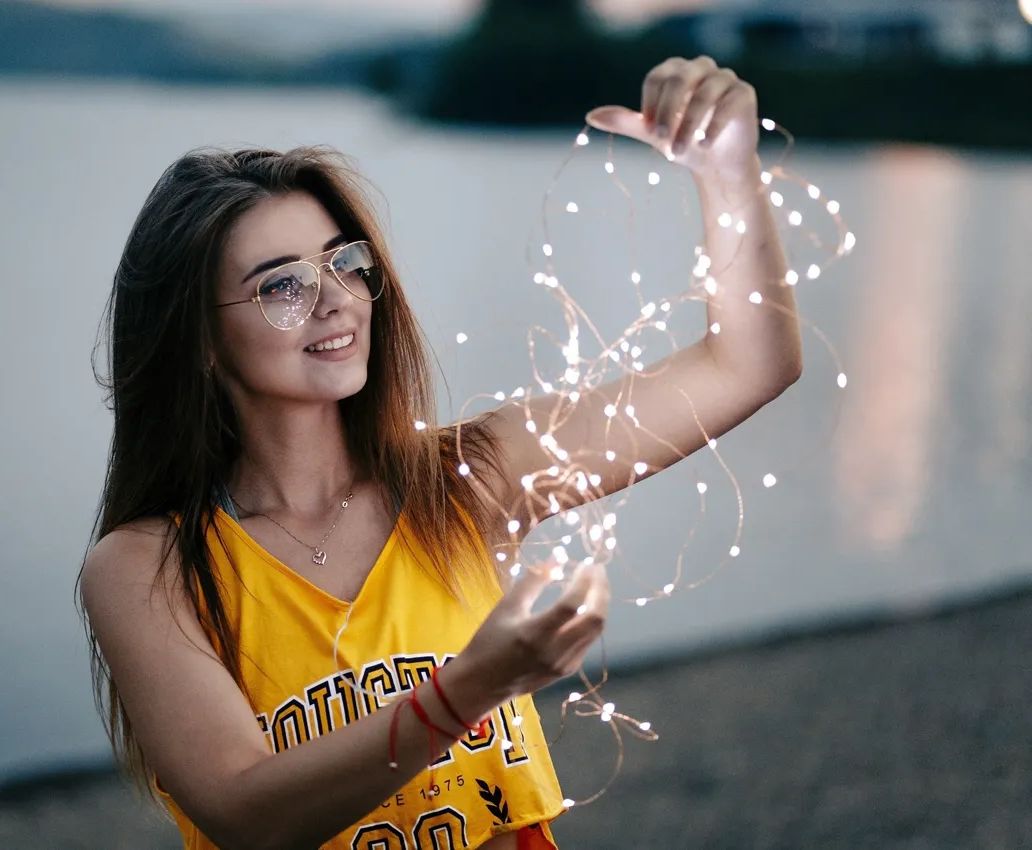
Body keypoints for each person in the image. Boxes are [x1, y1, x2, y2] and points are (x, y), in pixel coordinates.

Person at [76, 56, 802, 850]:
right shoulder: (149, 567)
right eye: (281, 284)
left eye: (343, 261)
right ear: (202, 341)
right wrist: (473, 686)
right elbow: (249, 816)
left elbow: (749, 364)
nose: (336, 299)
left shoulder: (467, 481)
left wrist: (729, 171)